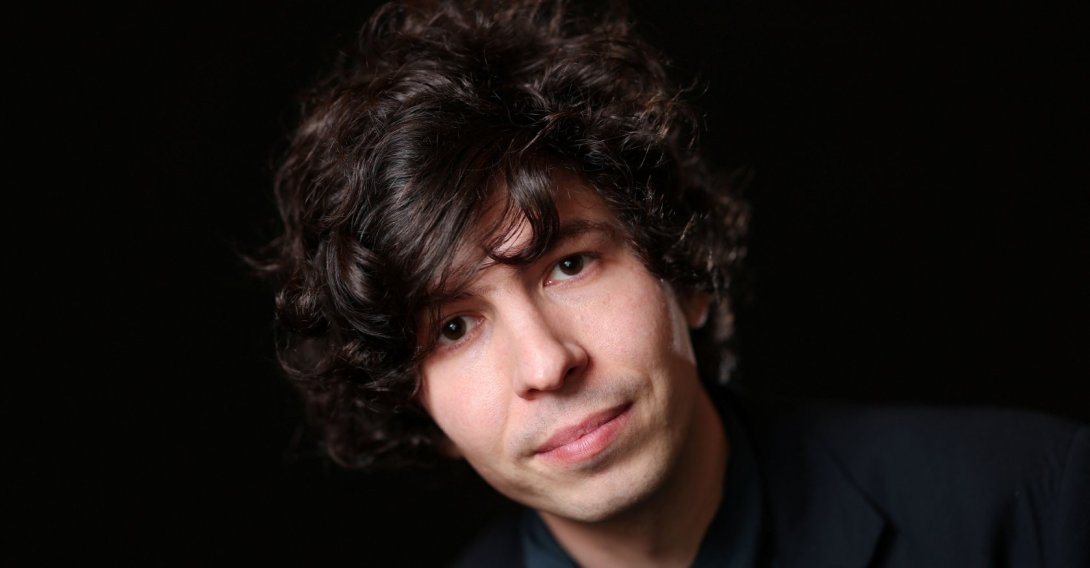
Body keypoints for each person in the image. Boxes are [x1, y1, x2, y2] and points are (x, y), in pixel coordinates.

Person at [257, 1, 1089, 566]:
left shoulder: (1034, 506)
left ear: (683, 271)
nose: (546, 363)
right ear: (417, 407)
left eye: (570, 265)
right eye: (453, 327)